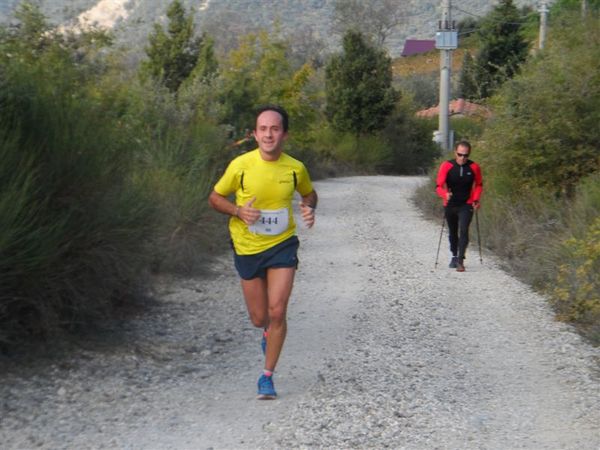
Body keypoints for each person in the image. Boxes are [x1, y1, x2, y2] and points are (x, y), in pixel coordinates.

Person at [208, 105, 318, 399]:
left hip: (282, 245)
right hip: (247, 247)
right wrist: (237, 210)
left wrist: (310, 208)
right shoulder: (240, 165)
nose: (269, 134)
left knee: (277, 311)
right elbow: (215, 197)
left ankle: (267, 377)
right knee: (259, 318)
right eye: (264, 129)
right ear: (255, 134)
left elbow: (309, 193)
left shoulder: (295, 168)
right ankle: (267, 334)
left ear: (284, 134)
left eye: (275, 129)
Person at [435, 140, 483, 272]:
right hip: (450, 204)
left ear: (469, 154)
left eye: (466, 155)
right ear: (455, 153)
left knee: (464, 230)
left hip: (466, 203)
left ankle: (461, 260)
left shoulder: (474, 167)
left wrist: (476, 199)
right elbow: (438, 186)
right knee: (453, 231)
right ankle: (454, 256)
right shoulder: (447, 165)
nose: (463, 158)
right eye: (460, 154)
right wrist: (445, 194)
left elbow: (479, 184)